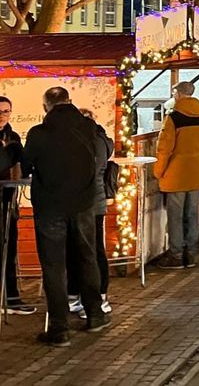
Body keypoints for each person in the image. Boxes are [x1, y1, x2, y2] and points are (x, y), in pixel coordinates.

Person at [22, 86, 108, 345]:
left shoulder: (38, 134)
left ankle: (59, 328)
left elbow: (25, 165)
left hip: (50, 207)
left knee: (53, 265)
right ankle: (94, 314)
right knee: (86, 257)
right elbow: (104, 153)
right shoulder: (89, 128)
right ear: (70, 102)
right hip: (84, 203)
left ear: (46, 106)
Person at [153, 82, 199, 270]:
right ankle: (191, 254)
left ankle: (176, 255)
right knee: (192, 214)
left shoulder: (174, 118)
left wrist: (159, 171)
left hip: (175, 173)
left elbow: (164, 148)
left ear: (178, 94)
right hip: (194, 173)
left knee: (176, 216)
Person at [0, 96, 35, 315]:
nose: (1, 115)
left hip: (6, 202)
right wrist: (11, 152)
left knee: (7, 249)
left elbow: (22, 161)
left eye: (6, 112)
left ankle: (11, 298)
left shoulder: (12, 135)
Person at [67, 109, 114, 318]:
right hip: (95, 202)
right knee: (91, 249)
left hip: (87, 203)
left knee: (90, 250)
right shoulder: (102, 140)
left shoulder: (91, 141)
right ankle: (91, 295)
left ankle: (95, 296)